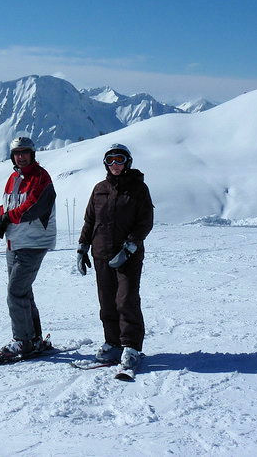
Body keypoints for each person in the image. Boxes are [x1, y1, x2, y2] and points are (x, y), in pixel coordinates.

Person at [77, 144, 154, 373]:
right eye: (110, 160)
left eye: (119, 159)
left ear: (127, 162)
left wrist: (130, 247)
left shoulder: (138, 188)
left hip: (128, 256)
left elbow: (145, 221)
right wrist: (82, 247)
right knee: (107, 301)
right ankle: (112, 343)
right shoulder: (99, 189)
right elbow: (90, 220)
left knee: (126, 299)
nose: (114, 165)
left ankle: (131, 346)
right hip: (101, 253)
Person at [0, 136, 57, 362]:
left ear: (32, 154)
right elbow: (9, 205)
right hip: (15, 242)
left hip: (34, 242)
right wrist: (0, 222)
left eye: (25, 152)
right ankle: (34, 338)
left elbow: (33, 207)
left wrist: (6, 218)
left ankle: (22, 340)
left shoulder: (41, 177)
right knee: (23, 292)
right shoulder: (13, 178)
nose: (21, 157)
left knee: (15, 291)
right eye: (17, 153)